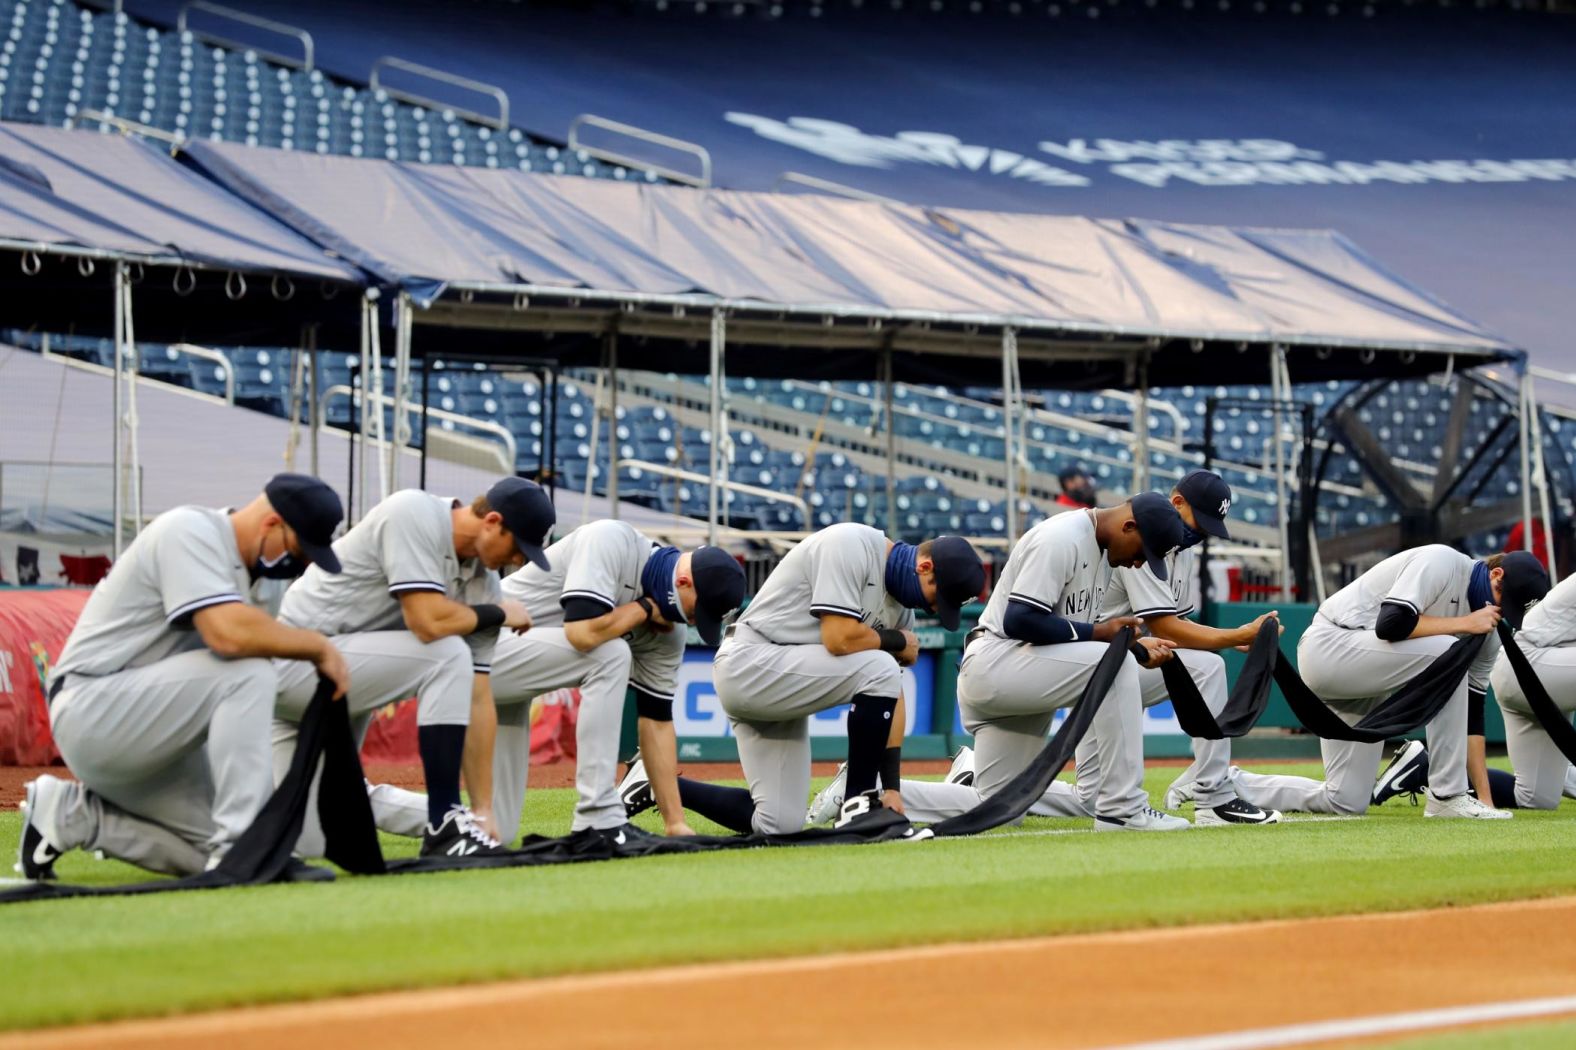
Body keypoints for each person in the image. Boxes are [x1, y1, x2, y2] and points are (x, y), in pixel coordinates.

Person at [17, 474, 349, 880]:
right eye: (301, 551)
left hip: (160, 736)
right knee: (248, 672)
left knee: (234, 853)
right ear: (271, 524)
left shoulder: (264, 584)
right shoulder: (188, 530)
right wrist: (318, 647)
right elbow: (225, 635)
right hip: (92, 710)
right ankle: (240, 846)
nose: (302, 565)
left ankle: (71, 816)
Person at [370, 520, 746, 848]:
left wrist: (675, 822)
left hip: (518, 676)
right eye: (699, 611)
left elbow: (658, 721)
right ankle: (597, 817)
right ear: (682, 581)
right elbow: (582, 635)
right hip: (481, 648)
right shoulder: (611, 540)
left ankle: (357, 802)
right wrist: (643, 609)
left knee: (496, 829)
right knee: (610, 653)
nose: (695, 624)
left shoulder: (670, 634)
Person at [271, 477, 553, 859]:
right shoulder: (413, 512)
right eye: (519, 547)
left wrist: (485, 810)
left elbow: (477, 695)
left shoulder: (483, 584)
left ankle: (459, 821)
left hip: (337, 690)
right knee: (447, 651)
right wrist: (498, 613)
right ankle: (444, 823)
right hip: (297, 664)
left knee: (311, 838)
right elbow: (426, 621)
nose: (519, 560)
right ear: (492, 521)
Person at [887, 493, 1193, 832]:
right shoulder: (1060, 538)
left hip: (1023, 674)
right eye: (1141, 553)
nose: (1138, 564)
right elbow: (1020, 620)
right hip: (997, 662)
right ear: (1128, 525)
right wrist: (1102, 633)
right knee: (1113, 660)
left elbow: (1071, 635)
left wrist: (1129, 644)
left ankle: (866, 788)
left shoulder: (1104, 552)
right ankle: (1123, 809)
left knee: (1000, 807)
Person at [669, 525, 984, 836]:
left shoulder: (902, 613)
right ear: (924, 566)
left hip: (781, 682)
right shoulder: (850, 543)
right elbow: (837, 638)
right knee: (880, 665)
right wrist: (897, 642)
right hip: (750, 661)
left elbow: (892, 696)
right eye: (936, 596)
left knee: (778, 823)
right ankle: (857, 808)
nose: (932, 607)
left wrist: (891, 789)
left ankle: (661, 783)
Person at [1023, 471, 1283, 826]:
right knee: (1207, 666)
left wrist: (1235, 637)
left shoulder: (1180, 550)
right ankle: (1214, 798)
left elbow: (1179, 627)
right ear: (1177, 503)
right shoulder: (1146, 533)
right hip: (1090, 661)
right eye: (1200, 522)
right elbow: (1163, 626)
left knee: (1091, 800)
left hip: (1115, 663)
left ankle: (980, 778)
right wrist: (1234, 635)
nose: (1201, 533)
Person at [1231, 548, 1549, 819]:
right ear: (1496, 575)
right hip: (1329, 647)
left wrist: (1485, 798)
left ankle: (1228, 783)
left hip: (1366, 678)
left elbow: (1472, 715)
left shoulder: (1489, 629)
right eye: (1502, 600)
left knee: (1345, 800)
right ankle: (1447, 796)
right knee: (1447, 651)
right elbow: (1390, 624)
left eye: (1508, 611)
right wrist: (1463, 624)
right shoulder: (1443, 562)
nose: (1499, 612)